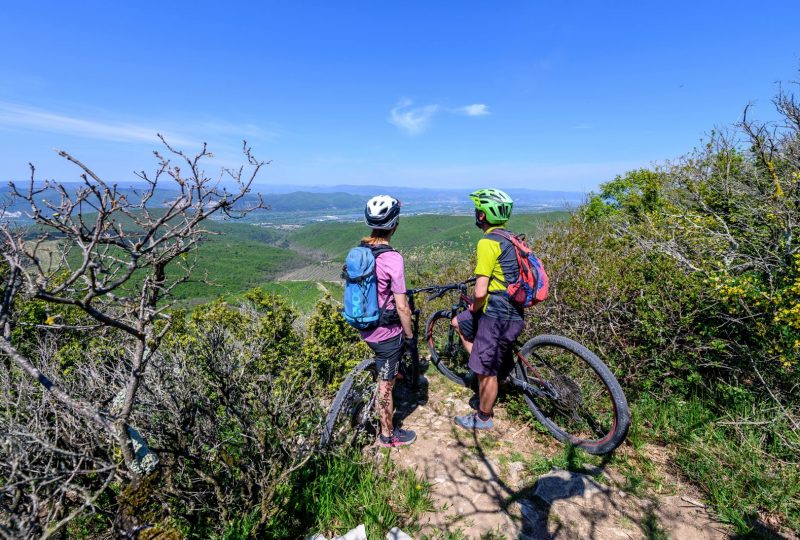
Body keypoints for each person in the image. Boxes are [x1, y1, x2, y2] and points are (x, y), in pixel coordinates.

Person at [452, 188, 525, 430]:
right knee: (459, 323)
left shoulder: (488, 242)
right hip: (514, 310)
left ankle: (483, 417)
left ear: (483, 215)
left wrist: (474, 306)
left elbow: (481, 291)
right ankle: (485, 369)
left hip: (497, 313)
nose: (476, 214)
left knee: (485, 369)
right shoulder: (511, 238)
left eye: (477, 210)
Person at [359, 195, 417, 447]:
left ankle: (394, 371)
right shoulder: (392, 258)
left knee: (387, 367)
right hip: (385, 333)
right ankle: (388, 434)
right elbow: (402, 306)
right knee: (386, 385)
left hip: (364, 325)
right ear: (395, 224)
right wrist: (410, 336)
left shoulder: (361, 251)